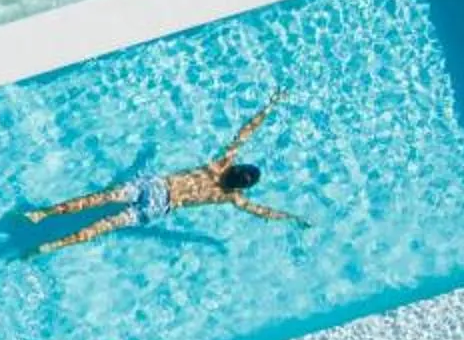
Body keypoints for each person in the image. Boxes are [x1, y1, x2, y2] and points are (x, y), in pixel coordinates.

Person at [27, 97, 301, 252]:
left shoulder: (222, 163)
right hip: (159, 206)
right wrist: (292, 218)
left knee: (99, 199)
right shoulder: (232, 197)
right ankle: (56, 244)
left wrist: (269, 106)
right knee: (105, 225)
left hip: (155, 186)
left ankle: (43, 214)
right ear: (243, 186)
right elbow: (263, 211)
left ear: (237, 168)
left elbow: (244, 133)